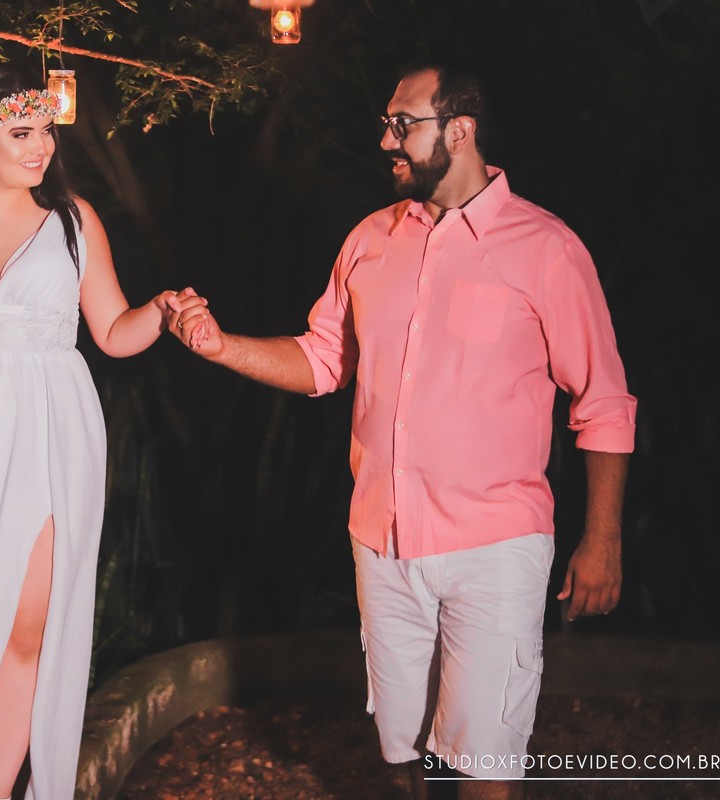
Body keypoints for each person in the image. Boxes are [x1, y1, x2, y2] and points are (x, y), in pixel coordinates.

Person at [167, 61, 636, 800]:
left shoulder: (546, 247)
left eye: (403, 124)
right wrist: (221, 346)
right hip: (382, 542)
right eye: (387, 124)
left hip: (495, 546)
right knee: (410, 753)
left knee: (483, 759)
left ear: (461, 129)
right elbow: (324, 360)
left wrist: (601, 540)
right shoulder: (370, 239)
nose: (386, 140)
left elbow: (603, 401)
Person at [0, 66, 176, 800]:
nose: (42, 146)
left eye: (45, 130)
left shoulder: (73, 219)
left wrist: (164, 312)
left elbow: (112, 331)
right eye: (22, 132)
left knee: (25, 627)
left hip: (49, 433)